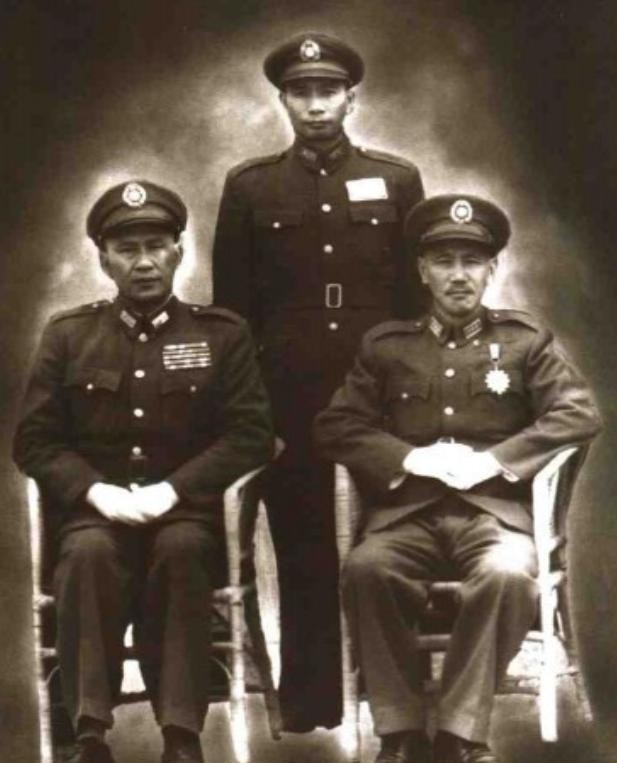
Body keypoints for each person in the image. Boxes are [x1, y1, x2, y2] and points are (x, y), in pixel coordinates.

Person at [314, 194, 602, 763]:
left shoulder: (524, 342)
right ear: (423, 271)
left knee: (507, 575)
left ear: (493, 268)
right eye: (444, 261)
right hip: (407, 516)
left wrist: (494, 461)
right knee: (367, 570)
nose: (459, 275)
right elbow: (334, 425)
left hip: (494, 516)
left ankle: (459, 734)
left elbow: (579, 414)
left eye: (472, 261)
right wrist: (409, 459)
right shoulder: (388, 347)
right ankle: (399, 733)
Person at [13, 180, 274, 763]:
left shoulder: (221, 334)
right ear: (104, 260)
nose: (144, 262)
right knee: (86, 556)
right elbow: (33, 441)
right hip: (96, 518)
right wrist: (96, 492)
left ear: (179, 252)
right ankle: (89, 734)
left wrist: (174, 490)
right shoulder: (69, 335)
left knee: (182, 552)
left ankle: (181, 736)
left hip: (185, 516)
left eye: (156, 246)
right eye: (127, 250)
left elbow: (251, 434)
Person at [212, 31, 425, 732]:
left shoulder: (396, 180)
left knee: (388, 544)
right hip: (290, 397)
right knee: (304, 547)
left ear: (350, 97)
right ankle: (315, 701)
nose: (314, 105)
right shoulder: (251, 187)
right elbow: (232, 315)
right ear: (282, 99)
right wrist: (255, 416)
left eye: (326, 91)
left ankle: (399, 704)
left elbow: (415, 305)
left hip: (379, 397)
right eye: (301, 92)